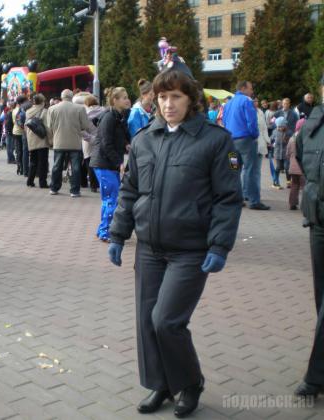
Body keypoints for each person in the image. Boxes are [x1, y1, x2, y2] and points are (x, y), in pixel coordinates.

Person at [107, 64, 242, 417]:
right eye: (163, 97)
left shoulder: (215, 140)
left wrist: (219, 244)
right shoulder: (144, 139)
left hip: (190, 250)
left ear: (191, 99)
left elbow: (227, 197)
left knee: (167, 320)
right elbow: (129, 191)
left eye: (176, 97)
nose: (168, 104)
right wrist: (118, 234)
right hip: (150, 248)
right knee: (147, 320)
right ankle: (161, 384)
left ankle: (191, 382)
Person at [294, 75, 324, 398]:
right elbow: (303, 158)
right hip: (319, 222)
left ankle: (315, 376)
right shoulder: (314, 123)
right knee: (321, 299)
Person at [89, 87, 130, 242]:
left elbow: (117, 138)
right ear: (115, 101)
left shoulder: (118, 116)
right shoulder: (109, 118)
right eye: (124, 97)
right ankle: (106, 232)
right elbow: (106, 144)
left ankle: (103, 229)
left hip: (107, 163)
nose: (127, 100)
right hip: (103, 163)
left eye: (127, 97)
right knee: (111, 199)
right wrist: (118, 162)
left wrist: (126, 144)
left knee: (110, 198)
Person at [223, 81, 269, 210]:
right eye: (250, 88)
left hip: (231, 142)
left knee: (234, 170)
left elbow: (225, 121)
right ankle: (254, 201)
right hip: (245, 141)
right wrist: (254, 135)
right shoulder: (247, 101)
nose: (252, 91)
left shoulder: (229, 103)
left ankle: (236, 199)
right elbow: (251, 121)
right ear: (243, 88)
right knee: (251, 170)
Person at [47, 89, 94, 197]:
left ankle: (54, 188)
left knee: (57, 166)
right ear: (72, 97)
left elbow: (49, 126)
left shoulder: (52, 109)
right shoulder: (80, 109)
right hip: (75, 142)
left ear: (61, 96)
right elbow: (85, 126)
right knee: (76, 167)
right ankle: (74, 191)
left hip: (59, 141)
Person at [24, 93, 51, 188]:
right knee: (43, 163)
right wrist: (51, 140)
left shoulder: (28, 111)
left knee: (33, 161)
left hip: (31, 139)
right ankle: (42, 183)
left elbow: (26, 126)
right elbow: (47, 127)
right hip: (42, 139)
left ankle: (30, 181)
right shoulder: (44, 111)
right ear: (43, 101)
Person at [82, 95, 103, 193]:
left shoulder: (84, 113)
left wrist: (90, 138)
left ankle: (93, 185)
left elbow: (81, 129)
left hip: (88, 141)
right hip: (102, 140)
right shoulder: (104, 111)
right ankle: (100, 183)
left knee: (89, 162)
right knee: (100, 162)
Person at [253, 98, 271, 199]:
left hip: (260, 144)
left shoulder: (260, 112)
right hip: (250, 144)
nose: (256, 103)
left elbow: (264, 128)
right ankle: (246, 192)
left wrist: (268, 141)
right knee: (248, 170)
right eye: (254, 101)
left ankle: (256, 193)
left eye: (257, 101)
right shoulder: (247, 111)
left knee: (257, 170)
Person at [286, 119, 305, 210]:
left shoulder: (292, 138)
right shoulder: (306, 138)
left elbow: (288, 153)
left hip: (293, 167)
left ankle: (292, 204)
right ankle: (305, 205)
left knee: (294, 185)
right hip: (303, 167)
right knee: (305, 187)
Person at [271, 117, 290, 189]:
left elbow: (291, 141)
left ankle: (288, 181)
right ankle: (275, 181)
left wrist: (287, 141)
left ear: (284, 126)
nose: (279, 128)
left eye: (281, 127)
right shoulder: (275, 131)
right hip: (277, 153)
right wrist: (272, 143)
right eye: (278, 127)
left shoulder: (288, 132)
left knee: (287, 167)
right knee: (278, 167)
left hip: (286, 153)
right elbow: (271, 139)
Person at [12, 96, 29, 176]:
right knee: (22, 151)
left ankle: (20, 168)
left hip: (15, 131)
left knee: (19, 151)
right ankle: (22, 168)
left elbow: (14, 121)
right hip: (21, 132)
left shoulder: (14, 110)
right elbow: (20, 122)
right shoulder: (21, 110)